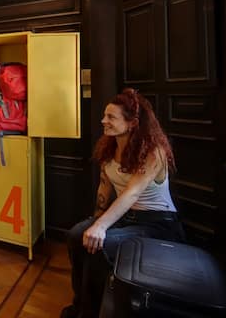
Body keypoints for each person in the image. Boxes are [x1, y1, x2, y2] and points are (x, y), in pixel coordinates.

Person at [61, 88, 186, 318]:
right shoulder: (109, 149)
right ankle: (79, 305)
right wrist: (94, 223)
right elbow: (104, 191)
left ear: (132, 123)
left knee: (99, 246)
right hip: (126, 217)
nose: (103, 121)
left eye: (111, 117)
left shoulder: (154, 152)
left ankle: (89, 313)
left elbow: (132, 193)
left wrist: (101, 227)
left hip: (158, 223)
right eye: (104, 115)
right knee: (77, 236)